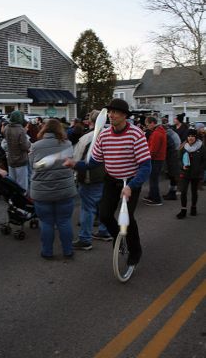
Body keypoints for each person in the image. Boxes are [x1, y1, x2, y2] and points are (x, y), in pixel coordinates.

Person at [65, 98, 151, 265]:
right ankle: (118, 237)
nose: (111, 115)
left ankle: (135, 250)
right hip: (111, 180)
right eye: (109, 112)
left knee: (128, 218)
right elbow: (94, 162)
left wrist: (132, 186)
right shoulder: (103, 135)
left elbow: (146, 166)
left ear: (124, 115)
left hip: (131, 180)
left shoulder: (136, 134)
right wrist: (75, 164)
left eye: (115, 112)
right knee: (104, 215)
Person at [29, 119, 77, 259]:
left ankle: (47, 252)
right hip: (65, 190)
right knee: (64, 221)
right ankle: (68, 251)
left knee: (46, 222)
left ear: (44, 129)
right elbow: (71, 163)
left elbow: (33, 165)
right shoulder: (67, 144)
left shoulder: (35, 146)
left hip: (42, 190)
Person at [72, 110, 112, 251]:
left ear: (90, 121)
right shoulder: (111, 135)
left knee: (87, 208)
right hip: (109, 177)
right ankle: (104, 231)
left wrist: (74, 170)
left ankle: (85, 238)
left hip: (90, 177)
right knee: (103, 205)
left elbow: (76, 159)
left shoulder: (87, 138)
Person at [176, 128, 206, 219]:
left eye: (192, 136)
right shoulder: (183, 147)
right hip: (185, 173)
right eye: (189, 136)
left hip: (196, 174)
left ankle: (193, 207)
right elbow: (178, 159)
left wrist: (200, 170)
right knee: (183, 191)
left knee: (194, 192)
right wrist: (182, 166)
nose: (190, 138)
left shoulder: (201, 146)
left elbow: (204, 161)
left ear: (196, 137)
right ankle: (183, 210)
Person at [4, 110, 31, 193]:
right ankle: (22, 201)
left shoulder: (7, 128)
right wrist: (29, 143)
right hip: (21, 160)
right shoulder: (20, 130)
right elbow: (24, 146)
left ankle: (13, 200)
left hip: (11, 159)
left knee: (13, 183)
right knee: (22, 185)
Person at [143, 116, 167, 206]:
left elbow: (153, 150)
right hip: (158, 159)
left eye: (148, 124)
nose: (147, 126)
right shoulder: (158, 131)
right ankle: (151, 196)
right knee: (153, 179)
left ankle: (156, 199)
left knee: (153, 179)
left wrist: (146, 157)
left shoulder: (157, 133)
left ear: (153, 123)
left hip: (156, 159)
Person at [162, 121, 181, 200]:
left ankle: (172, 194)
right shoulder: (172, 133)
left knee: (173, 176)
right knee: (173, 176)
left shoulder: (168, 135)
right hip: (175, 155)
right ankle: (171, 193)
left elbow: (167, 146)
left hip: (173, 156)